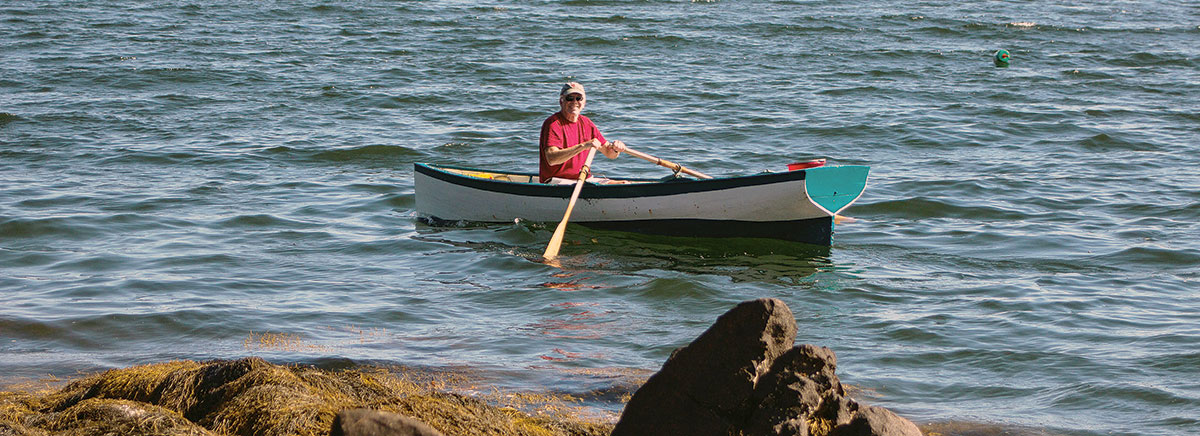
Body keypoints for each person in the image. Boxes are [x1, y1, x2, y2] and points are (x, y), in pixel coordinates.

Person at [539, 82, 626, 184]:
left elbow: (609, 153)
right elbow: (552, 158)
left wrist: (616, 149)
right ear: (561, 101)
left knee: (625, 184)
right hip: (557, 180)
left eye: (579, 98)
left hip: (583, 179)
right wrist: (583, 146)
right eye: (570, 98)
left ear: (584, 103)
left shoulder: (586, 123)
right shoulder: (553, 123)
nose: (574, 102)